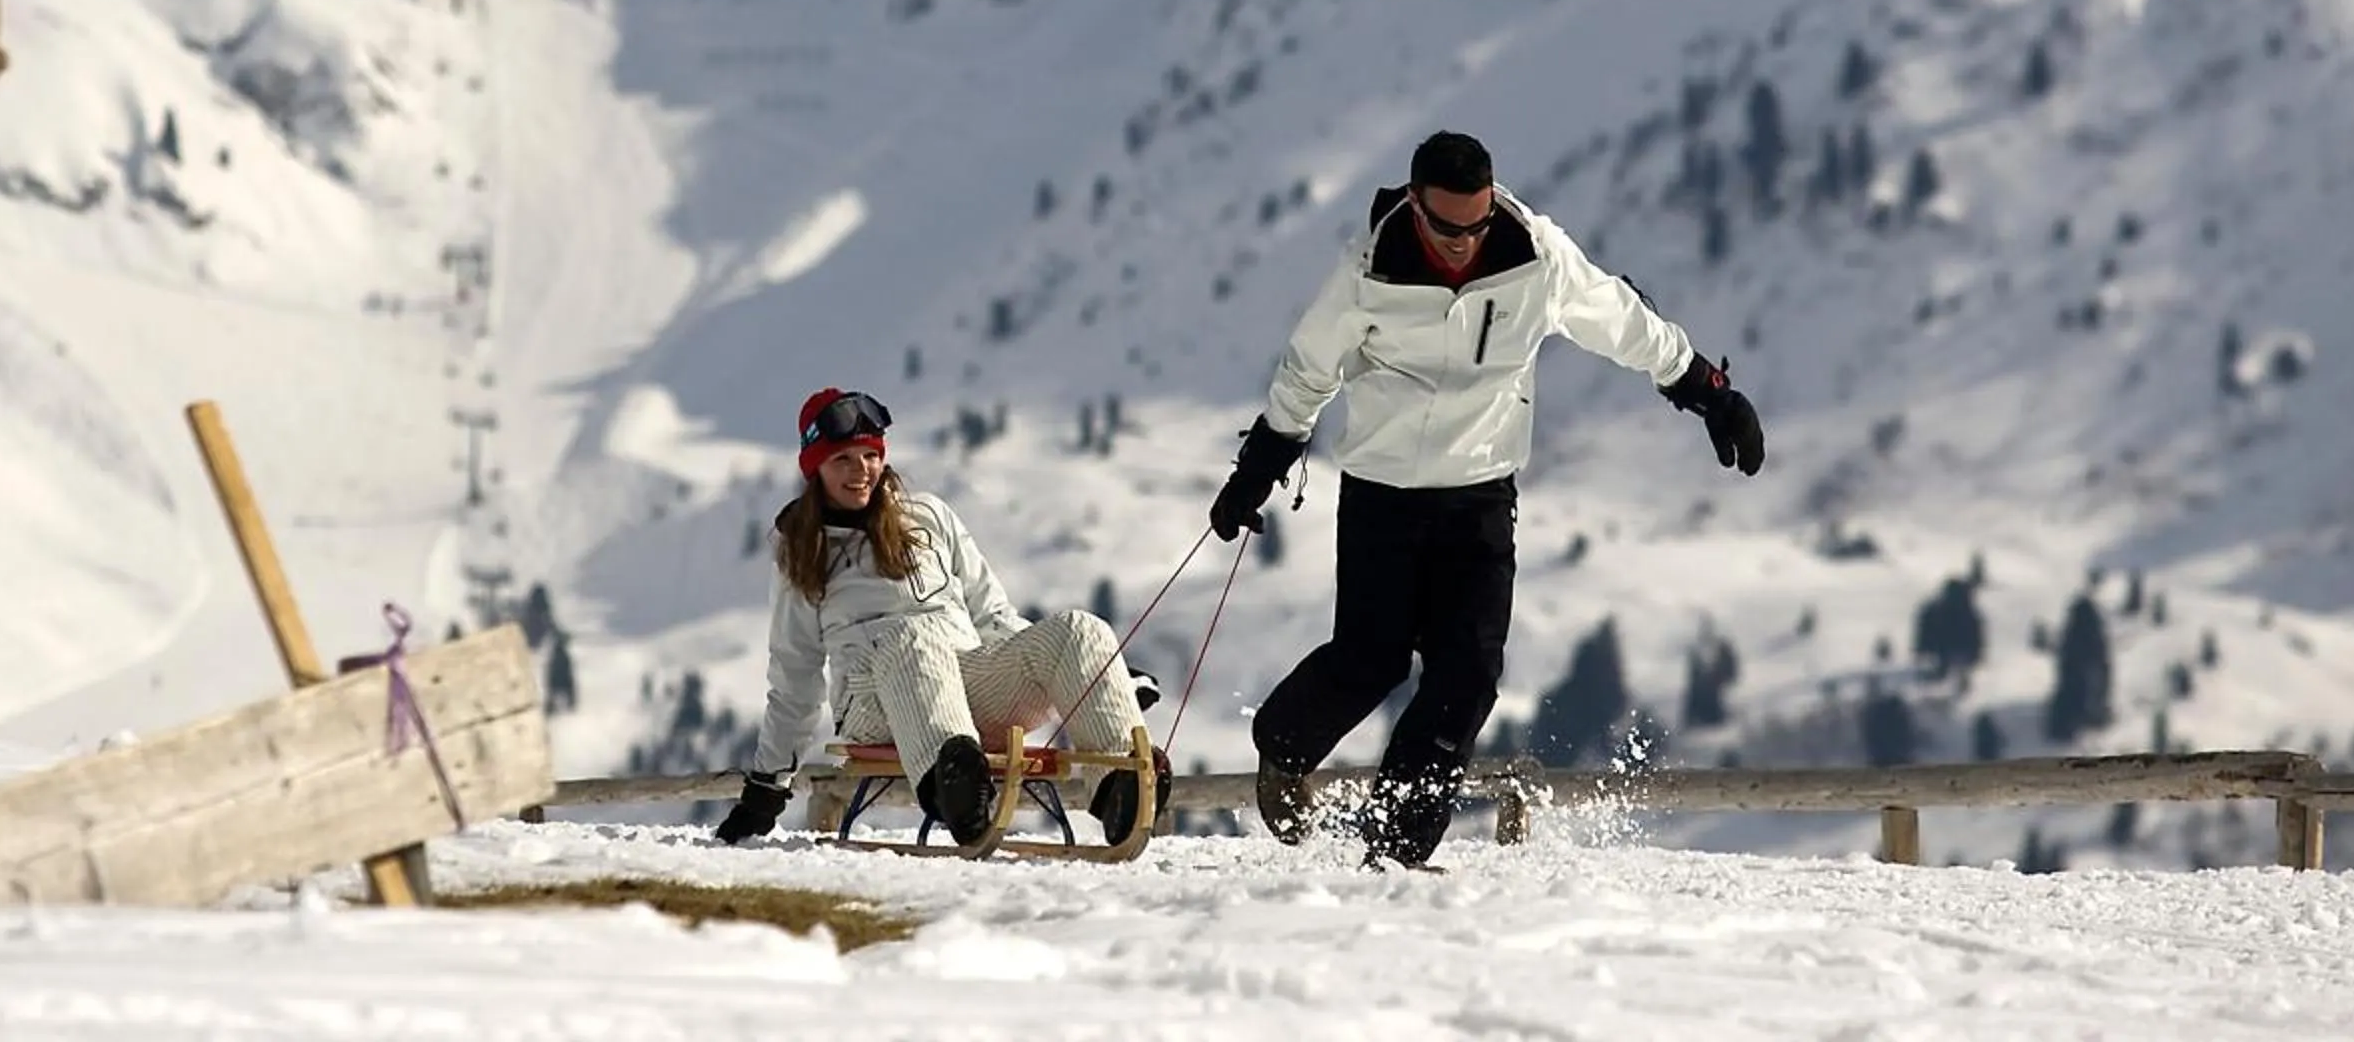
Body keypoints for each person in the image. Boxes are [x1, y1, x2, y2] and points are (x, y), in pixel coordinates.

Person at [1209, 130, 1764, 866]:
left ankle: (1395, 852)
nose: (1466, 242)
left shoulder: (1533, 254)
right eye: (1447, 227)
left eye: (1477, 224)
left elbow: (1618, 318)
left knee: (1467, 677)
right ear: (1414, 206)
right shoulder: (1368, 270)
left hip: (1479, 496)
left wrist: (1707, 391)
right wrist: (1262, 464)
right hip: (1383, 495)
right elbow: (1310, 370)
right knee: (1370, 660)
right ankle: (1283, 747)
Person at [717, 388, 1169, 849]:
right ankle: (956, 790)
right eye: (843, 461)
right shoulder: (801, 550)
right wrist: (767, 787)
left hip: (966, 679)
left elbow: (992, 614)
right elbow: (795, 674)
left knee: (1081, 629)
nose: (861, 472)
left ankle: (1121, 788)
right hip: (875, 701)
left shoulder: (928, 517)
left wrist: (1100, 670)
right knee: (913, 637)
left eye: (870, 456)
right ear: (816, 470)